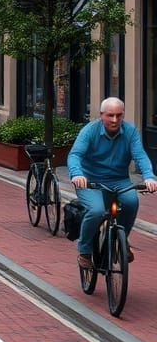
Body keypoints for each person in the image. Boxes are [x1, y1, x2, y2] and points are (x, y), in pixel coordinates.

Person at [67, 97, 157, 271]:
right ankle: (84, 251)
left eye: (119, 115)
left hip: (120, 181)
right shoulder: (89, 131)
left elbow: (140, 155)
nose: (115, 120)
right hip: (90, 182)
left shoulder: (130, 132)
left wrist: (149, 177)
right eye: (110, 116)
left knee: (131, 202)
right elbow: (74, 155)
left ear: (123, 115)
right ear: (102, 115)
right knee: (97, 210)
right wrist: (77, 174)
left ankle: (120, 240)